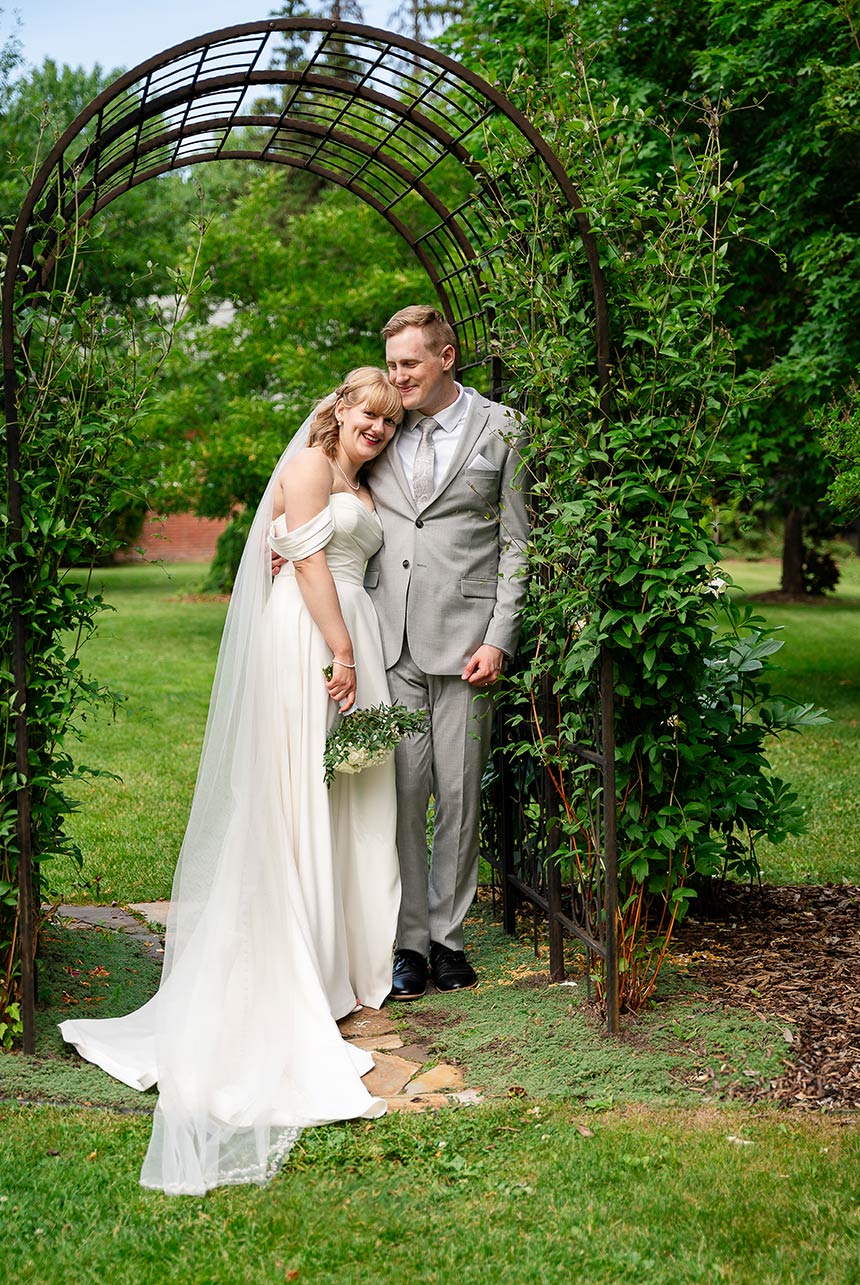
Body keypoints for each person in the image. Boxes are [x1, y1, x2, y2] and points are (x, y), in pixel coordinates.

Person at [60, 368, 405, 1196]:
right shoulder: (310, 469)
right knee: (298, 794)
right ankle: (299, 964)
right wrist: (343, 650)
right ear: (339, 409)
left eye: (391, 422)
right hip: (314, 642)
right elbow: (310, 561)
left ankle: (345, 960)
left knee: (345, 797)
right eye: (370, 415)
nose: (380, 430)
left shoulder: (360, 478)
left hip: (344, 636)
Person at [368, 305, 530, 1001]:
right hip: (390, 638)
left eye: (409, 362)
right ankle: (407, 943)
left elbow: (519, 543)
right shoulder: (383, 420)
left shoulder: (502, 427)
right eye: (393, 362)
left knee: (461, 799)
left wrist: (500, 636)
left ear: (446, 357)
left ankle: (448, 938)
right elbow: (334, 483)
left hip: (468, 643)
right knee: (403, 796)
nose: (397, 375)